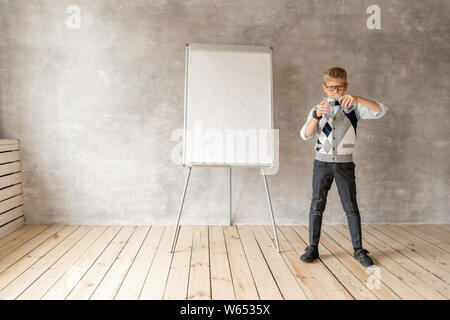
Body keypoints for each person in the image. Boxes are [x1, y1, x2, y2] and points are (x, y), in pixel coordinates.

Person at [299, 66, 388, 267]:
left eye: (339, 88)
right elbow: (305, 135)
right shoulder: (317, 108)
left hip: (344, 164)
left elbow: (380, 110)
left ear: (346, 86)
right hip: (321, 163)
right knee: (317, 205)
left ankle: (358, 249)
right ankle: (312, 247)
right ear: (324, 88)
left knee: (351, 207)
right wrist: (316, 116)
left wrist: (357, 98)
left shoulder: (353, 107)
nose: (335, 92)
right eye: (331, 88)